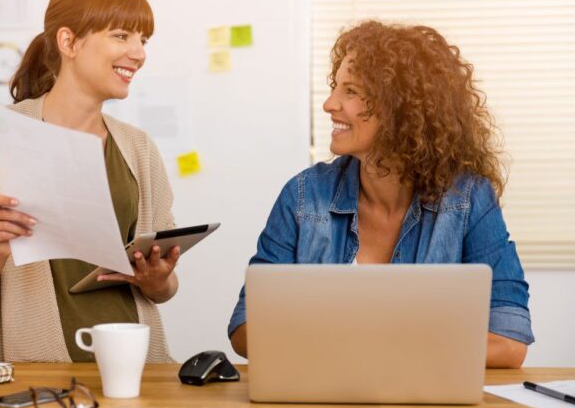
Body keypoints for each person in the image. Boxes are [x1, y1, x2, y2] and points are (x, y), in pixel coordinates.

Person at [228, 20, 533, 368]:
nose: (329, 104)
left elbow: (510, 341)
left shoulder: (468, 199)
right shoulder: (303, 196)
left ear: (401, 108)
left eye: (351, 91)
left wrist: (376, 355)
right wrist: (373, 354)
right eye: (335, 87)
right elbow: (245, 327)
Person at [0, 0, 179, 363]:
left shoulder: (139, 148)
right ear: (69, 42)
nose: (138, 53)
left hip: (136, 368)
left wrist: (157, 279)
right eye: (122, 36)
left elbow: (166, 286)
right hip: (36, 377)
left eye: (144, 40)